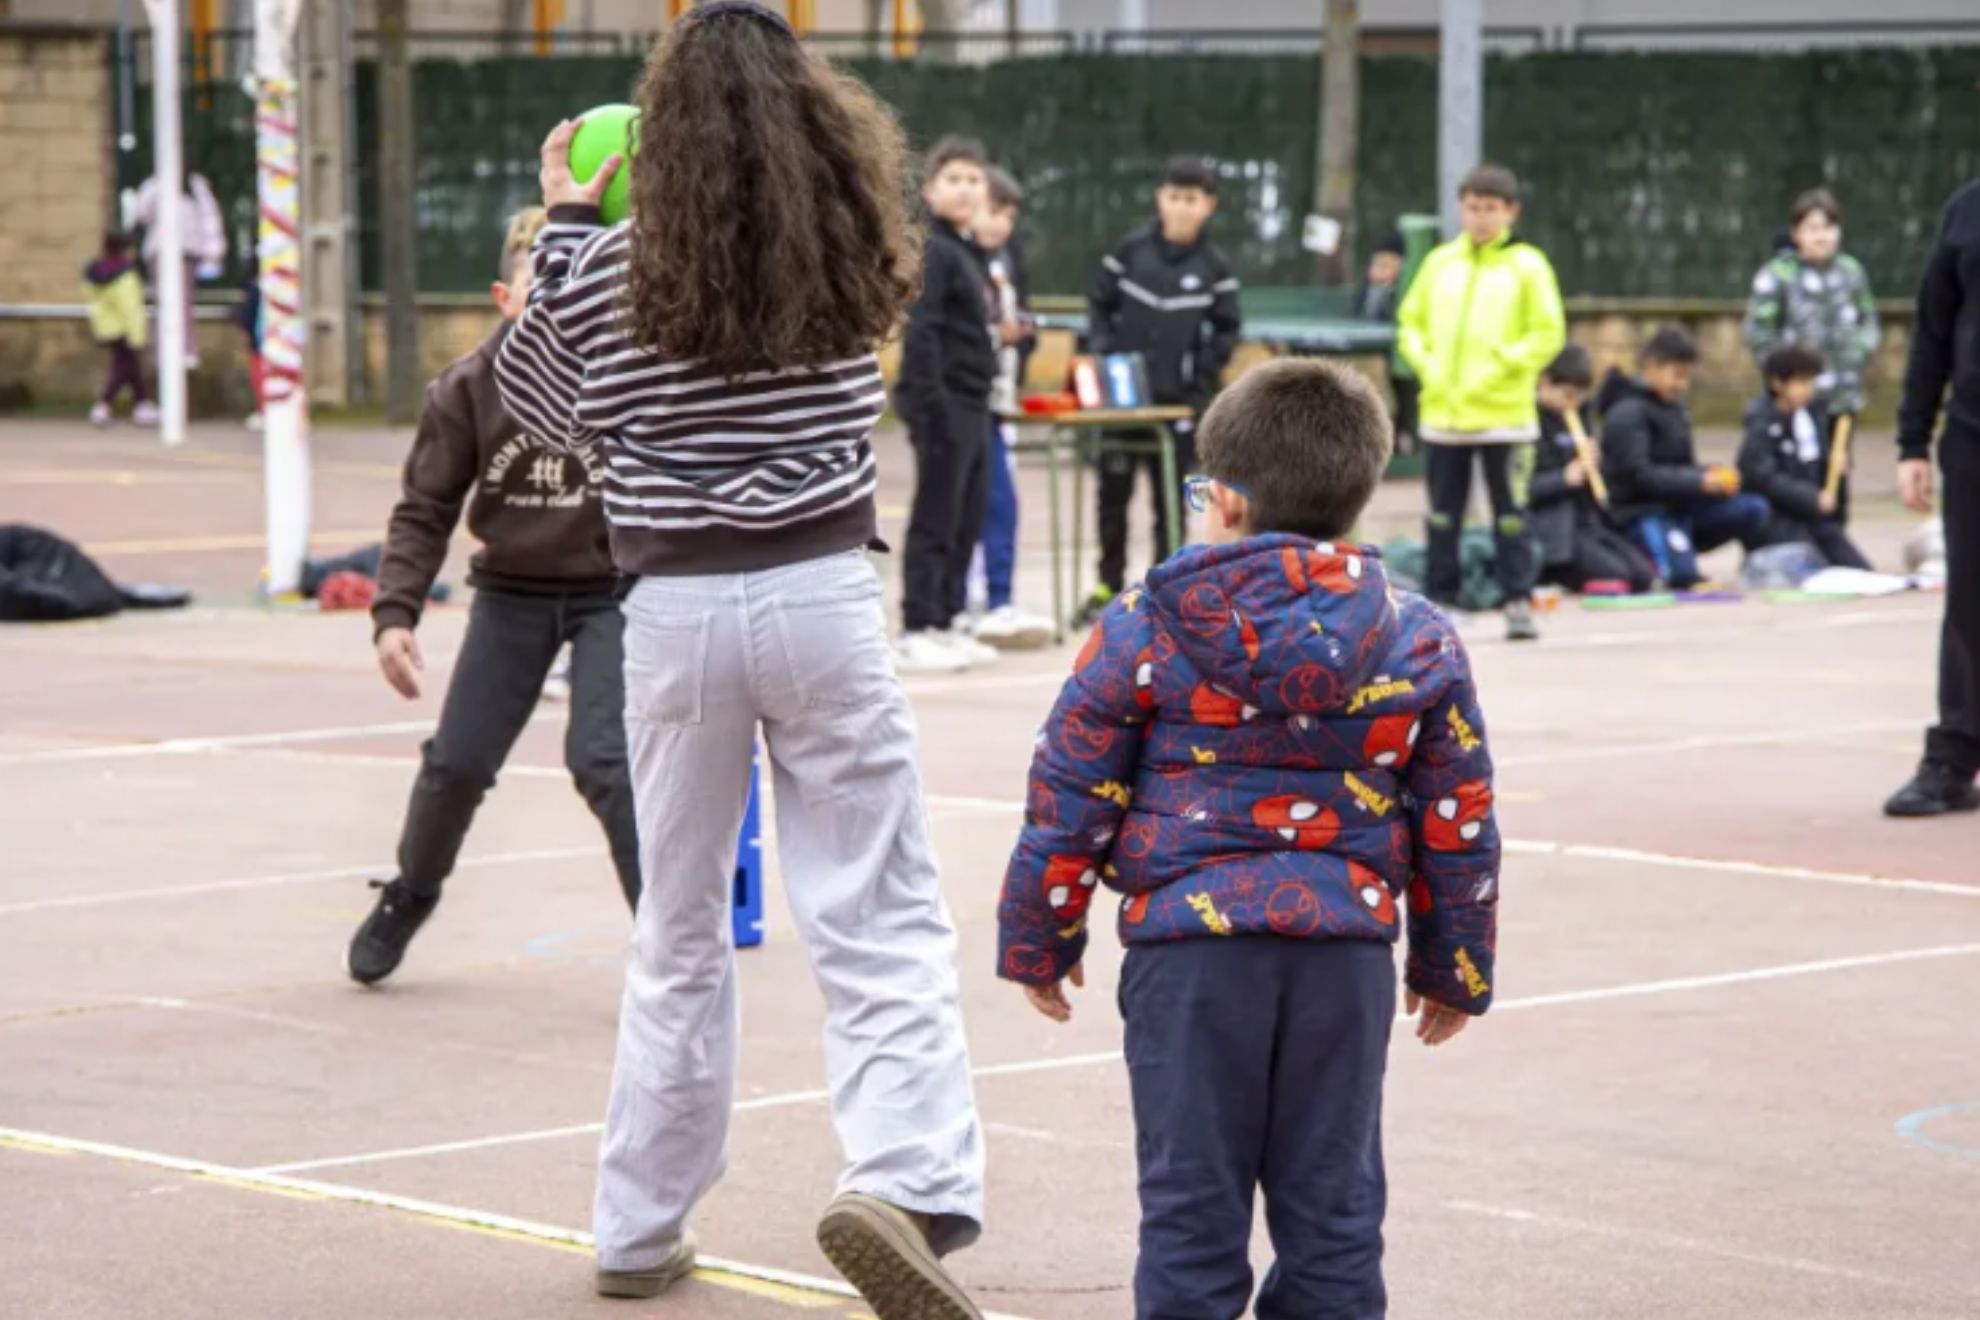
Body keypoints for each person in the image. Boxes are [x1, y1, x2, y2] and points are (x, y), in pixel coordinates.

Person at [496, 7, 986, 1314]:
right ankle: (901, 1179)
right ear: (810, 111)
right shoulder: (849, 242)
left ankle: (637, 1226)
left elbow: (536, 408)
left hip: (671, 608)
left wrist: (565, 229)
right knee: (880, 911)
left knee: (680, 927)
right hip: (823, 589)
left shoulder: (611, 267)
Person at [999, 358, 1499, 1320]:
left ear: (1223, 502)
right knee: (1335, 1211)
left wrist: (1040, 937)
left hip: (1189, 956)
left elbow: (1069, 790)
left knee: (1190, 1211)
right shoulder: (1418, 633)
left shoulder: (1146, 621)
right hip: (1344, 955)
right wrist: (1453, 965)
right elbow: (1459, 816)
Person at [345, 206, 640, 987]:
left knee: (606, 759)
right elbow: (424, 508)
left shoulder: (627, 377)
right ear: (505, 299)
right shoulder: (469, 386)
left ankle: (672, 935)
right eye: (541, 289)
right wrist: (394, 613)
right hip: (512, 593)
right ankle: (412, 890)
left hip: (615, 594)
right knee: (457, 763)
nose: (560, 305)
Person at [1396, 163, 1566, 641]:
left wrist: (1503, 365)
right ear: (1460, 209)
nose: (1480, 218)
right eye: (1473, 208)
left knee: (1510, 514)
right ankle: (1440, 602)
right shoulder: (1439, 263)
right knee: (1442, 515)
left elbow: (1547, 332)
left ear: (1511, 211)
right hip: (1444, 416)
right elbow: (1411, 321)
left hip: (1504, 417)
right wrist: (1428, 365)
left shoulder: (1528, 265)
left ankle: (1517, 600)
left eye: (1491, 208)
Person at [1076, 156, 1243, 626]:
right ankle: (1107, 585)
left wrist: (1199, 381)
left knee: (1172, 499)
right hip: (1123, 405)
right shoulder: (1130, 251)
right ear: (1160, 199)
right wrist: (1107, 357)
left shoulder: (1215, 267)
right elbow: (1098, 305)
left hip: (1178, 407)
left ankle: (1166, 592)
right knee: (1112, 495)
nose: (1182, 207)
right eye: (1174, 197)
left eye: (1192, 199)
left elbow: (1227, 330)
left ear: (1209, 206)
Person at [1885, 174, 1980, 818]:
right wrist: (1912, 440)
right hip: (1974, 438)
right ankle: (1953, 756)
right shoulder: (1966, 212)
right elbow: (1932, 331)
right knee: (1970, 602)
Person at [896, 136, 1000, 673]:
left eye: (973, 180)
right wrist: (930, 404)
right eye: (953, 179)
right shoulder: (934, 250)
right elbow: (924, 331)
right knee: (936, 516)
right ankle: (917, 625)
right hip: (944, 404)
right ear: (931, 191)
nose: (964, 189)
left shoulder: (970, 252)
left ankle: (948, 616)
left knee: (966, 517)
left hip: (975, 403)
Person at [1601, 327, 1771, 590]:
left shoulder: (1676, 408)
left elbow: (1682, 466)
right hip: (1641, 511)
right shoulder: (1627, 412)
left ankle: (1756, 567)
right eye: (1677, 375)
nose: (1682, 385)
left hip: (1680, 505)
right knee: (1681, 577)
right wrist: (1699, 482)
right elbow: (1640, 476)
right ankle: (1668, 556)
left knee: (1753, 508)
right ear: (1651, 366)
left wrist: (1710, 475)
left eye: (1687, 377)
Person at [966, 165, 1054, 650]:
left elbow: (1020, 318)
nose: (1001, 223)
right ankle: (953, 607)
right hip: (961, 402)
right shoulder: (952, 257)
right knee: (966, 505)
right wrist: (992, 336)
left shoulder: (1007, 258)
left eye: (1009, 215)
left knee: (1000, 502)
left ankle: (996, 600)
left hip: (998, 401)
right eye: (993, 211)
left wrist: (1021, 337)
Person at [1744, 188, 1880, 429]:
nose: (1821, 236)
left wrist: (1859, 351)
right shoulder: (1778, 274)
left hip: (1844, 397)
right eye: (1812, 228)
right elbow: (1759, 333)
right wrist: (1784, 378)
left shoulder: (1852, 271)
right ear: (1796, 233)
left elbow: (1869, 319)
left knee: (1839, 454)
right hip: (1794, 403)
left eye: (1828, 227)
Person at [1531, 345, 1657, 593]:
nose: (1574, 403)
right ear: (1545, 382)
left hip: (1589, 522)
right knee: (1616, 577)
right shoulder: (1529, 424)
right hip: (1553, 527)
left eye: (1580, 397)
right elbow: (1521, 490)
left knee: (1643, 576)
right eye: (1568, 395)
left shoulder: (1581, 416)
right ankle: (1548, 570)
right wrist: (1564, 478)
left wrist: (1598, 464)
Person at [1737, 345, 1872, 571]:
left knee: (1858, 570)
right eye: (1801, 382)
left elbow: (1820, 469)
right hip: (1779, 518)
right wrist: (1811, 497)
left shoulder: (1812, 415)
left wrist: (1835, 469)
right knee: (1809, 570)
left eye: (1811, 382)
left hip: (1814, 518)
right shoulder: (1762, 421)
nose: (1809, 389)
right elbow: (1760, 476)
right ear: (1778, 383)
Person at [133, 170, 227, 368]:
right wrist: (159, 185)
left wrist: (213, 252)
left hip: (187, 251)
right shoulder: (155, 185)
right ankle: (162, 351)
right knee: (164, 301)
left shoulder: (196, 186)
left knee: (184, 302)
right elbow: (143, 213)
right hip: (160, 252)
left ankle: (187, 351)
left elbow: (209, 219)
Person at [82, 231, 158, 428]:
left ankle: (142, 405)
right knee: (123, 368)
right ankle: (103, 405)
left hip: (105, 325)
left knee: (131, 367)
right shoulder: (126, 275)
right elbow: (129, 307)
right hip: (125, 328)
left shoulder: (94, 271)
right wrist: (137, 335)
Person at [1358, 231, 1419, 455]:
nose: (1379, 270)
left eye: (1387, 264)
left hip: (1403, 357)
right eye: (1377, 264)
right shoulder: (1369, 290)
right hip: (1374, 358)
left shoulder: (1409, 289)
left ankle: (1404, 440)